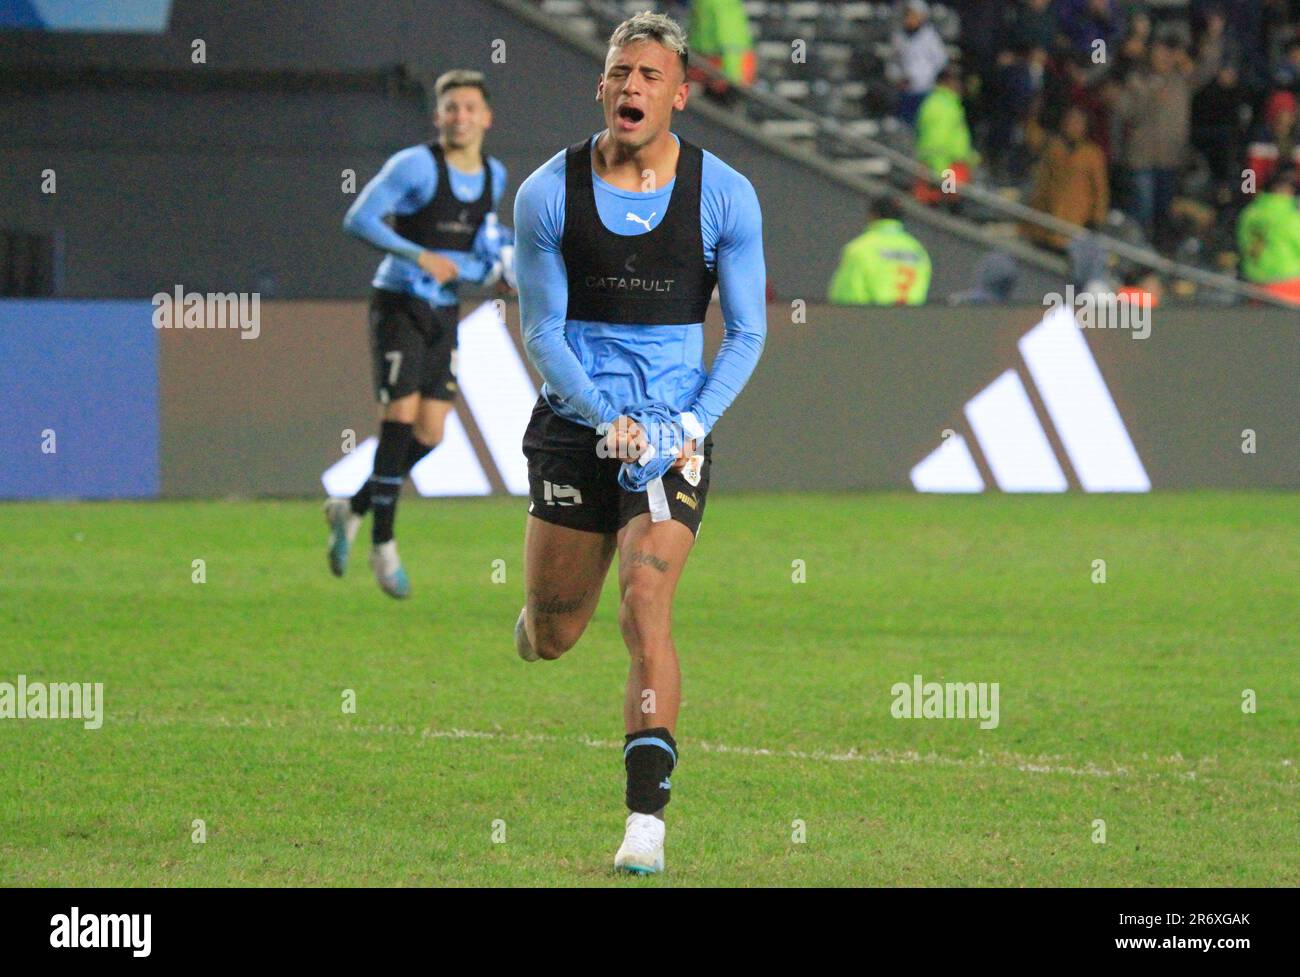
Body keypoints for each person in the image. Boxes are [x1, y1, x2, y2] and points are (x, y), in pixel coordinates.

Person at [511, 11, 766, 874]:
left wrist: (687, 426)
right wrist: (601, 419)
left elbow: (747, 333)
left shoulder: (724, 193)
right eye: (621, 72)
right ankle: (540, 615)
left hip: (670, 436)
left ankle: (645, 826)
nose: (631, 87)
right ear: (601, 84)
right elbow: (542, 331)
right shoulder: (548, 192)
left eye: (650, 76)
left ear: (680, 95)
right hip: (578, 427)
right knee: (556, 633)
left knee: (645, 601)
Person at [328, 70, 510, 598]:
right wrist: (419, 255)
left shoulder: (494, 176)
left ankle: (353, 505)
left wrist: (495, 267)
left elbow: (482, 245)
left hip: (445, 311)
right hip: (400, 302)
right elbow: (357, 218)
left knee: (431, 433)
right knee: (401, 417)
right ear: (438, 116)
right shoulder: (414, 166)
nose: (460, 117)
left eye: (470, 107)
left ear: (486, 117)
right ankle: (382, 545)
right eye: (451, 107)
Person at [1024, 105, 1109, 249]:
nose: (1071, 125)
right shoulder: (1053, 148)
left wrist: (1096, 219)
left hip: (1074, 219)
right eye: (1069, 120)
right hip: (1046, 217)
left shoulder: (1092, 155)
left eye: (1077, 122)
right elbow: (1043, 180)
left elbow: (1100, 189)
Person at [827, 196, 932, 305]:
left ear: (872, 215)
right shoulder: (917, 250)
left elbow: (846, 295)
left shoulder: (861, 248)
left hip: (872, 319)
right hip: (912, 319)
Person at [913, 64, 977, 204]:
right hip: (945, 170)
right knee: (944, 209)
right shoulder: (940, 105)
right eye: (956, 80)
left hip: (950, 168)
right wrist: (939, 174)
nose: (960, 85)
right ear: (946, 82)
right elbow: (935, 142)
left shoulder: (949, 103)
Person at [1238, 167, 1300, 303]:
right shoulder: (1290, 216)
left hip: (1254, 287)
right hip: (1289, 286)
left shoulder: (1249, 212)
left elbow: (1242, 243)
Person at [889, 0, 949, 126]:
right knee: (905, 123)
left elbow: (941, 60)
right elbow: (894, 61)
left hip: (925, 89)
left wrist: (927, 78)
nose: (910, 19)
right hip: (906, 89)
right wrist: (897, 78)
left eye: (914, 15)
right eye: (908, 15)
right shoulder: (899, 37)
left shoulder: (929, 36)